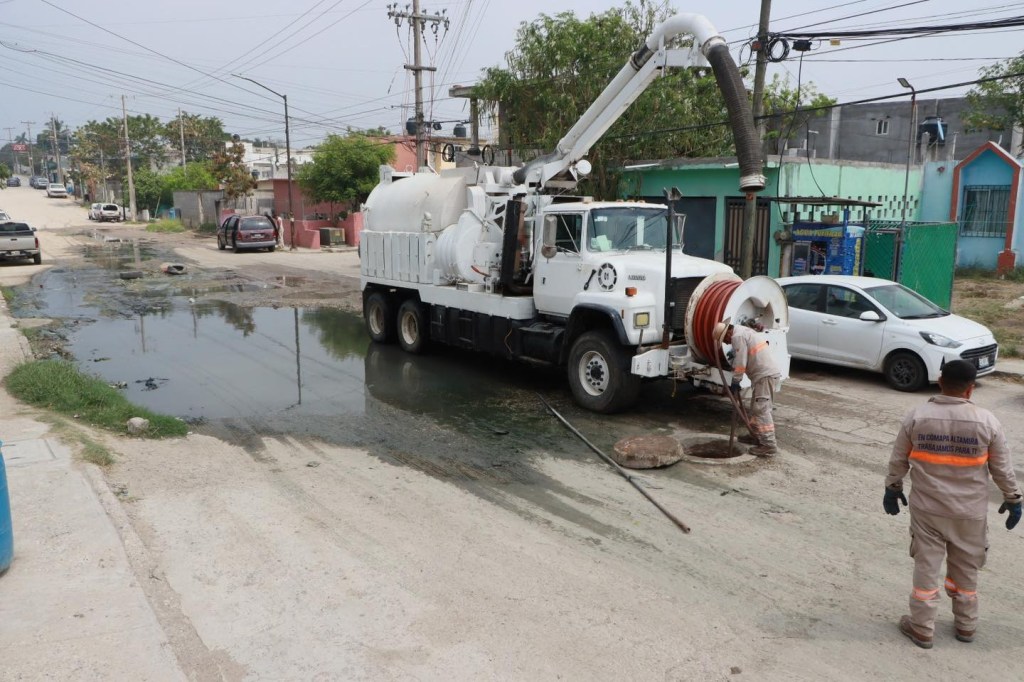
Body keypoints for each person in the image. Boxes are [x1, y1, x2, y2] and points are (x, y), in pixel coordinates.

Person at [884, 359, 1021, 649]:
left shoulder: (917, 416)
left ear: (940, 380)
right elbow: (1002, 468)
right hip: (969, 513)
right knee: (967, 568)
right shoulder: (987, 421)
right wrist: (1013, 498)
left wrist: (892, 487)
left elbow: (898, 459)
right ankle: (966, 626)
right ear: (970, 390)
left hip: (928, 510)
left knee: (927, 565)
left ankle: (921, 628)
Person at [712, 318, 781, 457]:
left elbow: (741, 361)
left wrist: (736, 380)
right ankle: (756, 436)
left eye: (725, 340)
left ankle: (769, 445)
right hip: (763, 376)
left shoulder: (737, 336)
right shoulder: (742, 331)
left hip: (764, 376)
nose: (726, 343)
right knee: (756, 409)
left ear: (727, 333)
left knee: (761, 410)